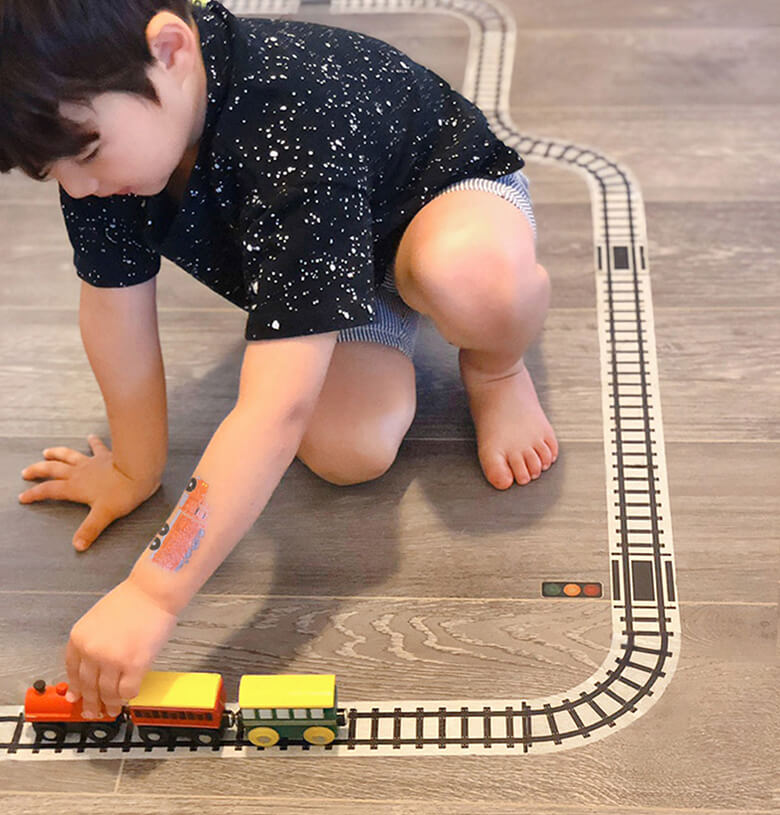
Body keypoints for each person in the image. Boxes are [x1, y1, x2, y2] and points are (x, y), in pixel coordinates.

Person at [1, 0, 557, 718]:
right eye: (51, 174)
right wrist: (135, 468)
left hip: (438, 203)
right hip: (341, 273)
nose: (77, 189)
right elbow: (114, 309)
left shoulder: (293, 113)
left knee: (472, 282)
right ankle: (385, 314)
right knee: (349, 451)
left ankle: (496, 368)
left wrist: (151, 591)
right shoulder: (104, 139)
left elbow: (273, 408)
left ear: (169, 50)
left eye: (83, 157)